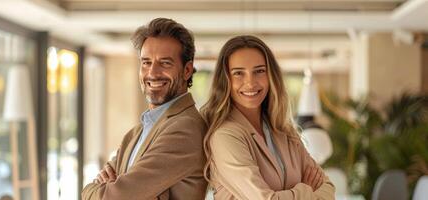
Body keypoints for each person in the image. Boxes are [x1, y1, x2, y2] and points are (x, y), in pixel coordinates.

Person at [81, 18, 207, 200]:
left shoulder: (185, 128)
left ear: (187, 70)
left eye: (165, 63)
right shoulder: (135, 134)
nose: (153, 73)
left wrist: (97, 189)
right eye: (146, 62)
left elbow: (114, 197)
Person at [201, 35, 335, 199]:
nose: (250, 83)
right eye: (238, 73)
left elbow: (328, 188)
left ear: (271, 76)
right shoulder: (225, 136)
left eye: (259, 71)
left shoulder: (285, 132)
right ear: (225, 80)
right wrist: (306, 188)